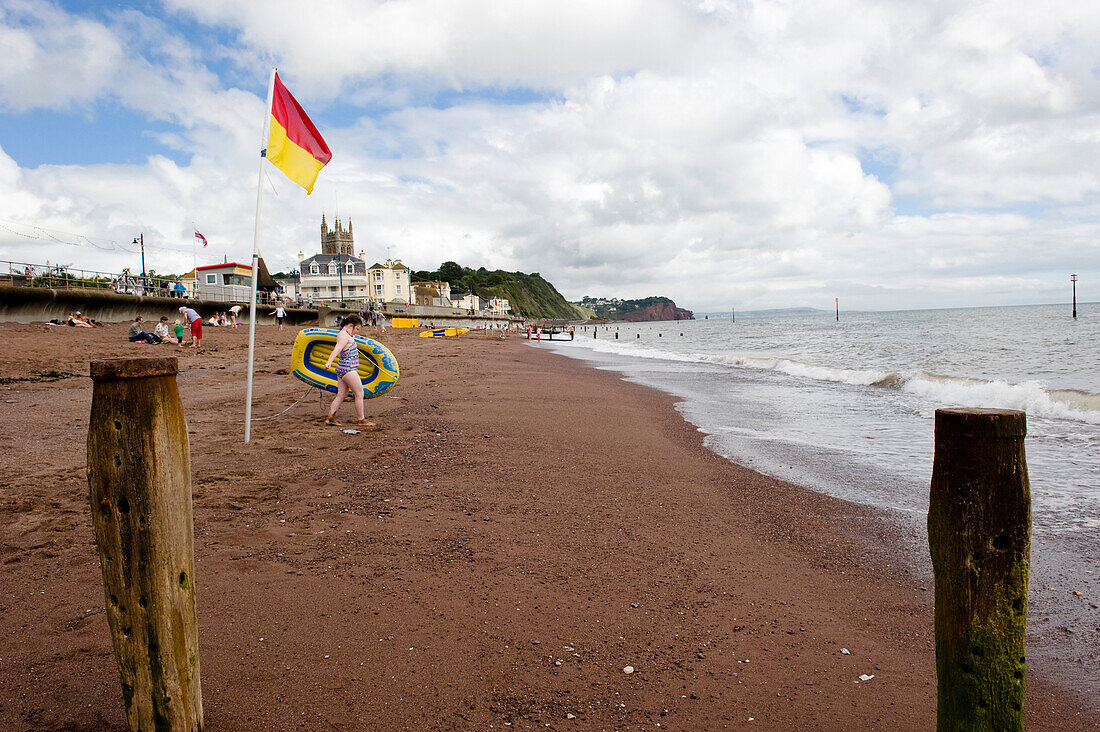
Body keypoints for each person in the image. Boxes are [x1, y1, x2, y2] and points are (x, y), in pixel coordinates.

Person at [321, 315, 374, 428]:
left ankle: (330, 418)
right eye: (357, 329)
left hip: (342, 368)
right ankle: (361, 419)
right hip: (348, 369)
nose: (356, 332)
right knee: (359, 393)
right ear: (351, 326)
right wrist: (329, 362)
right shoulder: (344, 336)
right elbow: (337, 349)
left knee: (341, 394)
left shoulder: (342, 334)